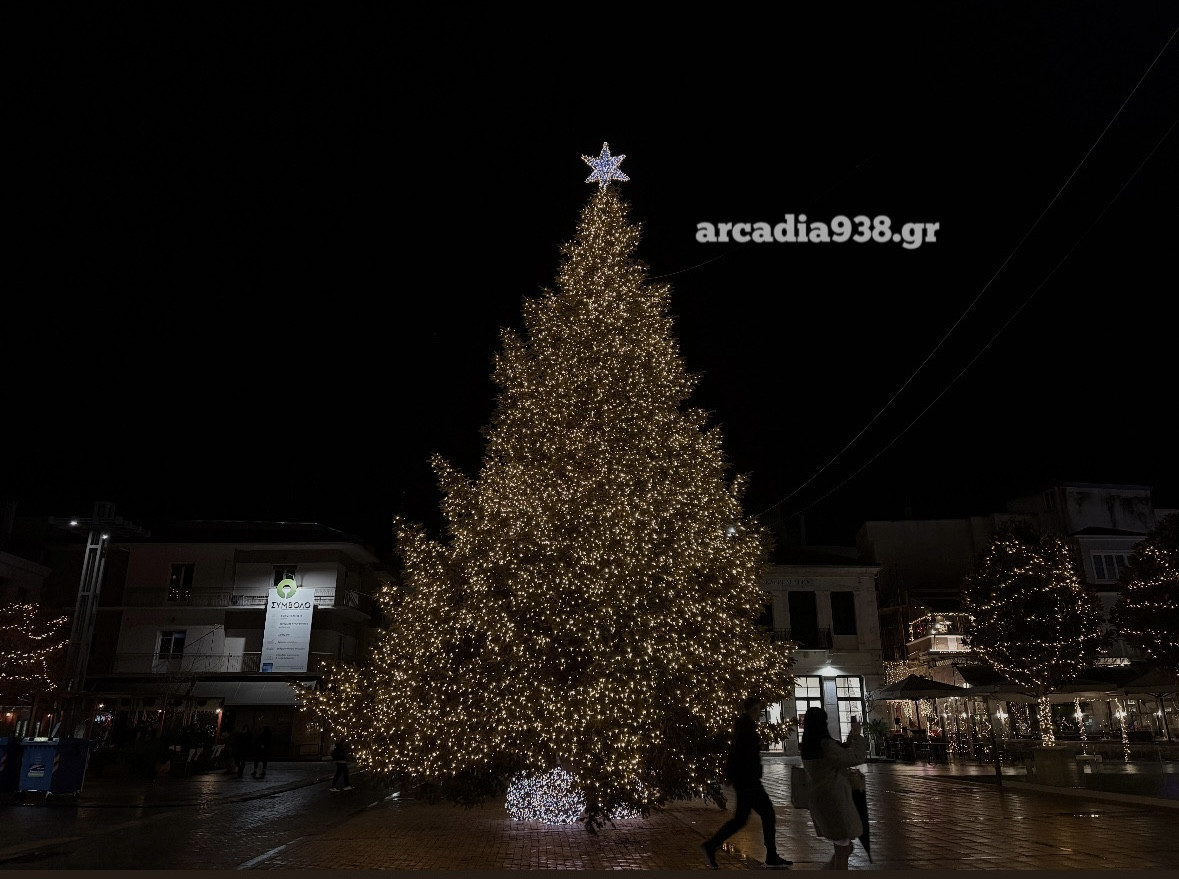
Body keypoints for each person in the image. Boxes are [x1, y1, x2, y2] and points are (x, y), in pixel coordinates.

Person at [700, 697, 792, 870]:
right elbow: (738, 754)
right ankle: (771, 855)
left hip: (745, 780)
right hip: (748, 781)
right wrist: (740, 776)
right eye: (757, 710)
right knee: (767, 814)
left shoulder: (744, 727)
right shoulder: (746, 729)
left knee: (741, 819)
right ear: (751, 710)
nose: (759, 714)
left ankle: (711, 846)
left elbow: (736, 753)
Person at [800, 707, 868, 870]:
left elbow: (839, 752)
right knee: (843, 849)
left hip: (821, 798)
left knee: (844, 846)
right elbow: (855, 757)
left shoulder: (809, 744)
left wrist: (850, 739)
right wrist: (857, 735)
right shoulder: (825, 745)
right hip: (834, 800)